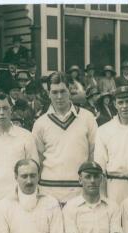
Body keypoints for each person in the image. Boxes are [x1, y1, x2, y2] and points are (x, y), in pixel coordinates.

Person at [32, 72, 98, 203]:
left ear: (70, 91)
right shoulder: (40, 123)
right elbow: (37, 160)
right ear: (48, 93)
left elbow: (93, 154)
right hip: (48, 192)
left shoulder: (87, 118)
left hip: (79, 192)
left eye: (63, 91)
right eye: (54, 92)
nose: (59, 97)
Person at [0, 92, 38, 209]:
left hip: (21, 199)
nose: (1, 112)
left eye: (5, 108)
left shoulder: (26, 136)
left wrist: (21, 191)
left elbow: (34, 167)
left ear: (11, 110)